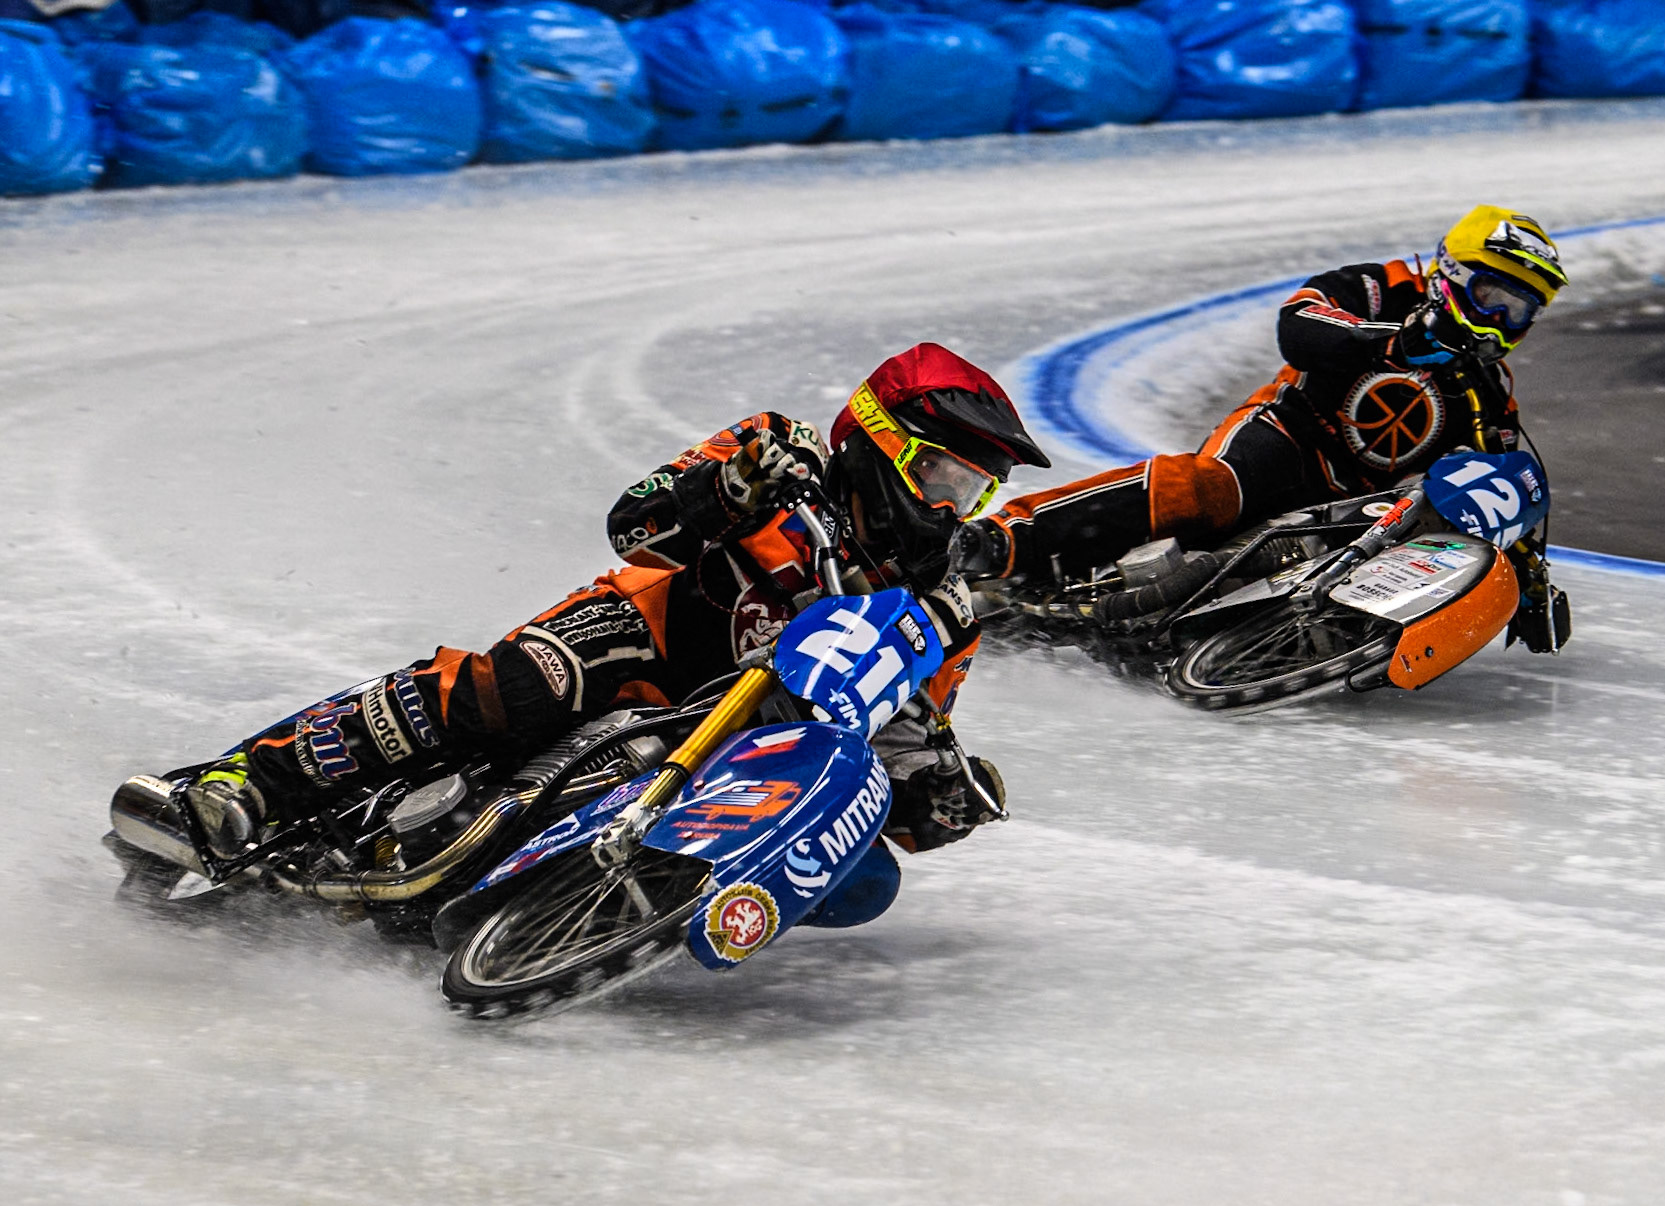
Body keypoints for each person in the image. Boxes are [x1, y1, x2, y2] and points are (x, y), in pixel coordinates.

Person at [176, 342, 1051, 925]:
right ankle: (250, 777)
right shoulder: (782, 449)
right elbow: (634, 524)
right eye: (940, 475)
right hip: (646, 632)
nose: (948, 509)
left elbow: (902, 725)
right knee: (509, 687)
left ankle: (570, 916)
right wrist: (737, 490)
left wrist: (930, 796)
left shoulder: (943, 608)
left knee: (861, 879)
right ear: (879, 440)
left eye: (971, 493)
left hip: (741, 735)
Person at [954, 205, 1571, 652]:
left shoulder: (1489, 392)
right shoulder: (1380, 289)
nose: (1500, 323)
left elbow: (1495, 483)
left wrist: (1530, 577)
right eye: (1494, 296)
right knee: (1210, 487)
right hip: (1289, 436)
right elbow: (1297, 329)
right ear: (1454, 273)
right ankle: (1004, 540)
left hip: (1358, 507)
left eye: (1519, 312)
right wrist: (1395, 341)